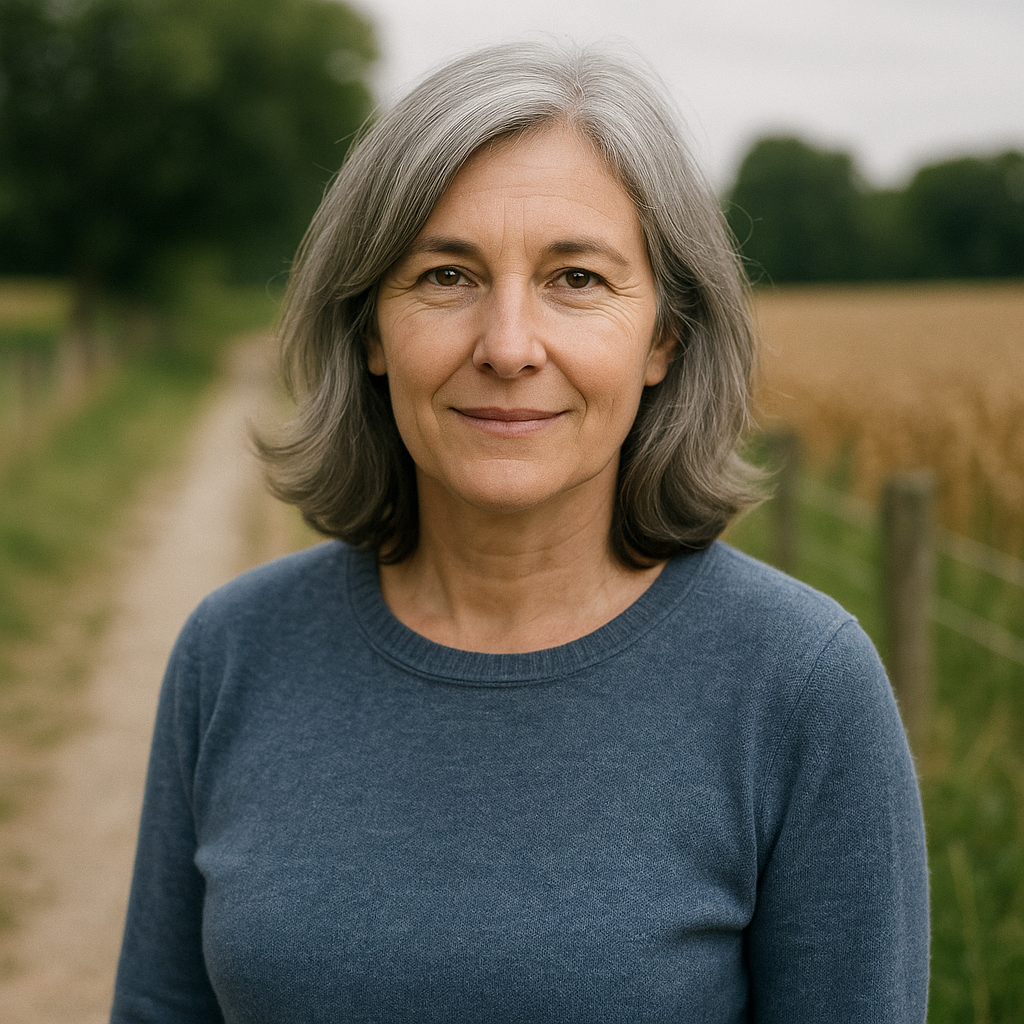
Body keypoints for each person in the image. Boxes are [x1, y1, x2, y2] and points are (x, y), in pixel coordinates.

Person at [110, 40, 929, 1023]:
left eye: (576, 278)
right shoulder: (231, 652)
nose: (506, 346)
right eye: (446, 276)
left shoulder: (802, 686)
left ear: (663, 336)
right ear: (370, 327)